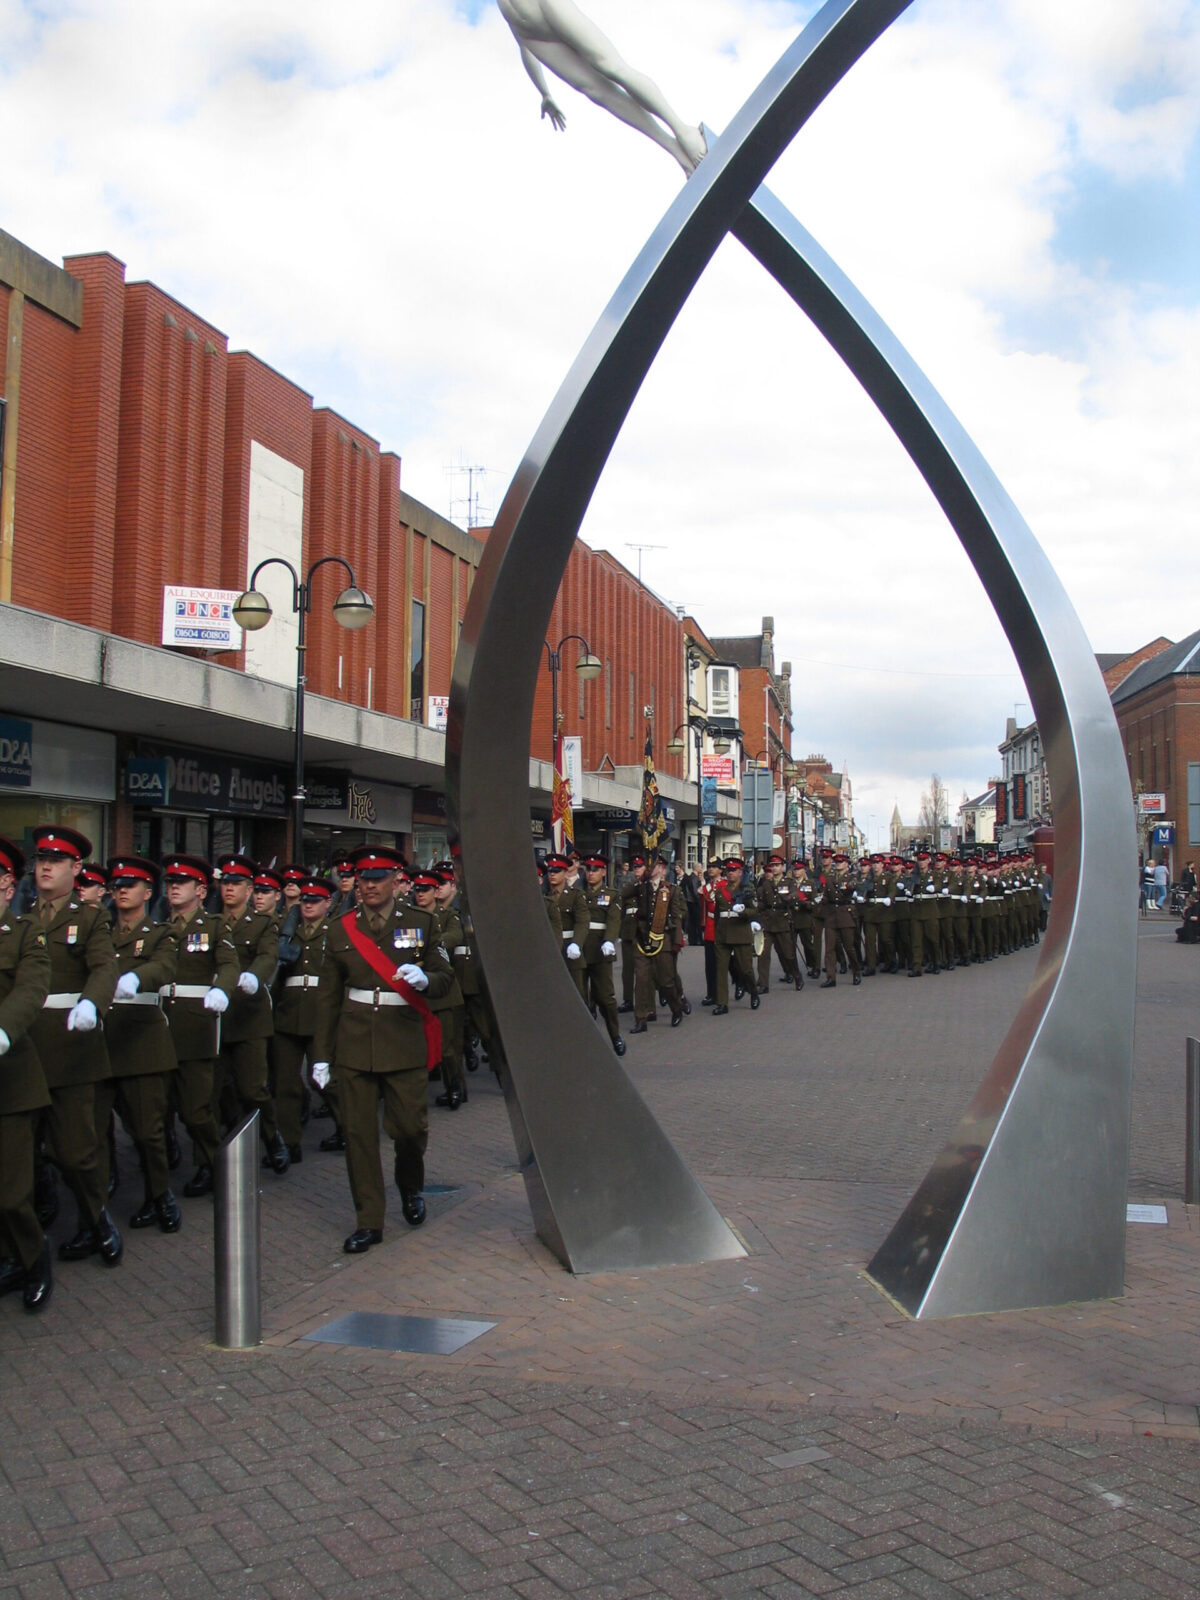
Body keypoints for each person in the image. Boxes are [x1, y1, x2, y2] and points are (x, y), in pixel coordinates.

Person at [311, 844, 454, 1254]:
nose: (369, 885)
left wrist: (426, 979)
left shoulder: (422, 923)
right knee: (358, 1136)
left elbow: (446, 977)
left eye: (377, 878)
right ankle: (369, 1220)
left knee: (410, 1129)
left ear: (396, 881)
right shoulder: (340, 928)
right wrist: (321, 1055)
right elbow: (327, 997)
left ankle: (410, 1186)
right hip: (355, 1045)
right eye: (363, 878)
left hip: (403, 1040)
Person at [27, 825, 123, 1268]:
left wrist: (91, 1003)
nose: (45, 866)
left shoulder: (90, 918)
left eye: (57, 860)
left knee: (75, 1150)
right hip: (23, 1049)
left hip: (70, 1047)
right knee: (22, 1150)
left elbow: (104, 967)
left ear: (76, 868)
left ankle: (95, 1219)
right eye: (41, 859)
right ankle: (25, 1241)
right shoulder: (20, 918)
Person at [496, 0, 707, 173]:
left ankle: (682, 129)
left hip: (545, 6)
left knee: (610, 66)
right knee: (597, 92)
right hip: (525, 31)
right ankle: (675, 151)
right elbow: (523, 48)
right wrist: (544, 93)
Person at [98, 856, 182, 1234]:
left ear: (147, 893)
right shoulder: (99, 932)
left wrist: (136, 977)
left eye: (129, 886)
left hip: (141, 1043)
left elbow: (164, 967)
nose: (121, 891)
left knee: (147, 1130)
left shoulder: (160, 934)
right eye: (116, 886)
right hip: (99, 1043)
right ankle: (96, 1206)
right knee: (95, 1131)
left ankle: (159, 1193)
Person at [158, 854, 238, 1198]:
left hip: (195, 1028)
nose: (174, 888)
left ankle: (209, 1161)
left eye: (182, 883)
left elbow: (229, 964)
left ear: (201, 890)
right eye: (170, 883)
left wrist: (222, 988)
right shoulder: (158, 928)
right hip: (158, 1027)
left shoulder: (215, 926)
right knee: (156, 1107)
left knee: (196, 1108)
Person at [0, 835, 54, 1312]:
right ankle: (9, 1258)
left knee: (13, 1191)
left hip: (10, 1080)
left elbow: (32, 987)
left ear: (4, 885)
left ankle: (34, 1259)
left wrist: (1, 1031)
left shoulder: (23, 933)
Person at [213, 855, 290, 1175]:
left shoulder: (263, 923)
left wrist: (254, 977)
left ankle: (272, 1138)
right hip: (216, 1018)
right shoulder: (210, 924)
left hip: (248, 1016)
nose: (229, 889)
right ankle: (234, 1143)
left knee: (252, 1087)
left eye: (236, 885)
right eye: (225, 883)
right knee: (219, 1089)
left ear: (248, 890)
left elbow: (268, 956)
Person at [273, 875, 336, 1156]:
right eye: (304, 901)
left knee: (324, 1080)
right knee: (285, 1082)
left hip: (320, 1014)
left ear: (327, 903)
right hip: (289, 1013)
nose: (308, 905)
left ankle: (347, 1126)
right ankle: (290, 1141)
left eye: (315, 901)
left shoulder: (334, 933)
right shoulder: (288, 932)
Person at [630, 855, 685, 1031]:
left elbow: (676, 917)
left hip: (664, 939)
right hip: (642, 939)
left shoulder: (671, 890)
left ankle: (676, 1009)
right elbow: (624, 896)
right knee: (641, 980)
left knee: (666, 982)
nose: (650, 869)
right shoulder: (641, 888)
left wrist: (677, 942)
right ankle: (641, 1018)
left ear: (662, 869)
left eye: (654, 866)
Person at [579, 853, 625, 1055]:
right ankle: (583, 1040)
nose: (590, 873)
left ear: (603, 872)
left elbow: (614, 919)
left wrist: (609, 940)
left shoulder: (612, 894)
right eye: (588, 870)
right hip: (578, 950)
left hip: (600, 950)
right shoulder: (577, 894)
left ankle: (615, 1035)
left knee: (605, 998)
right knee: (580, 998)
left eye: (595, 870)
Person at [711, 856, 759, 1015]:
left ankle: (753, 992)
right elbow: (718, 913)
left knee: (745, 969)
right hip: (723, 933)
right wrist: (717, 932)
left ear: (740, 872)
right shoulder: (720, 890)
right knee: (721, 970)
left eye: (734, 870)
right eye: (728, 870)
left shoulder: (747, 890)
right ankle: (722, 1003)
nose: (730, 873)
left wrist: (744, 912)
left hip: (740, 932)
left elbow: (755, 910)